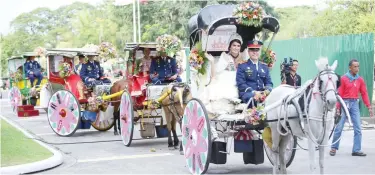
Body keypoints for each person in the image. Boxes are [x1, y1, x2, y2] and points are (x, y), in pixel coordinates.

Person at [330, 59, 373, 157]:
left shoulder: (360, 79)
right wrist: (337, 108)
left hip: (354, 104)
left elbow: (364, 93)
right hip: (344, 103)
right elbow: (339, 94)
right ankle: (334, 147)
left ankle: (356, 150)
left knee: (358, 127)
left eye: (358, 66)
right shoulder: (344, 79)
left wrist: (369, 107)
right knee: (339, 127)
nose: (357, 68)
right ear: (350, 67)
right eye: (355, 66)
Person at [202, 33, 247, 115]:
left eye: (238, 46)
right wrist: (212, 61)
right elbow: (215, 72)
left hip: (240, 82)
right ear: (230, 46)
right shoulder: (225, 56)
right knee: (213, 89)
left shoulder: (244, 57)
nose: (236, 48)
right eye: (234, 45)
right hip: (227, 82)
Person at [236, 40, 273, 105]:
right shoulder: (242, 66)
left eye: (257, 50)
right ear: (248, 51)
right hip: (248, 93)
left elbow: (269, 82)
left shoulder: (264, 66)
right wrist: (254, 92)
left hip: (262, 93)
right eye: (252, 50)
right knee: (254, 99)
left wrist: (266, 92)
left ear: (260, 52)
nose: (254, 53)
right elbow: (241, 84)